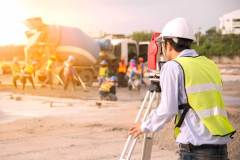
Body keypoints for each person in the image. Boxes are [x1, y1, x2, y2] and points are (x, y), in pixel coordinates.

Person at [129, 18, 235, 160]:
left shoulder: (173, 67)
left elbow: (168, 109)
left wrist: (144, 126)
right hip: (220, 148)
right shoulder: (209, 64)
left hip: (197, 151)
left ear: (168, 44)